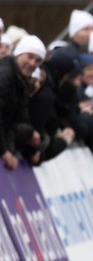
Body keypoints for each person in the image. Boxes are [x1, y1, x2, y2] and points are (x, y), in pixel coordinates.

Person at [0, 35, 46, 169]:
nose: (32, 63)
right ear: (18, 54)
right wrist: (4, 151)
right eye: (29, 57)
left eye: (37, 60)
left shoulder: (22, 81)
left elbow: (20, 116)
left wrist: (31, 133)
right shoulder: (5, 75)